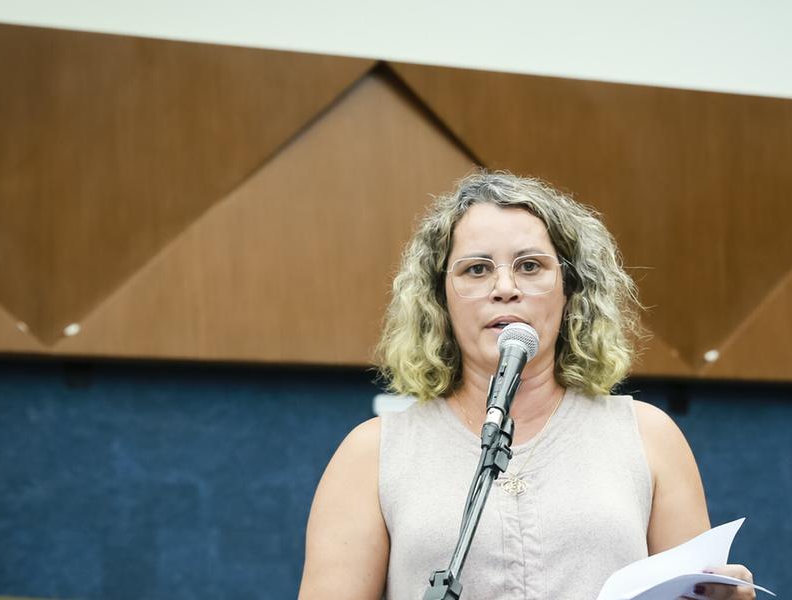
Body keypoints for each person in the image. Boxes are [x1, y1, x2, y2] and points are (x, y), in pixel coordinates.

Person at [297, 172, 756, 599]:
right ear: (440, 299)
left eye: (530, 266)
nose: (505, 288)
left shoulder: (649, 437)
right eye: (476, 270)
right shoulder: (372, 454)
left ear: (570, 288)